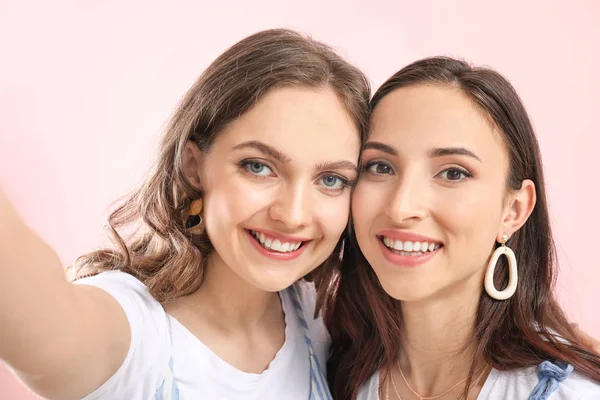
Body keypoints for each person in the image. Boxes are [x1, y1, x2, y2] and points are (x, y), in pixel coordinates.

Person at [0, 28, 369, 400]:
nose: (293, 215)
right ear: (195, 166)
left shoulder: (317, 317)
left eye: (332, 179)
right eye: (258, 167)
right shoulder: (133, 335)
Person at [325, 57, 600, 399]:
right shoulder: (327, 369)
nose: (401, 207)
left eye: (453, 173)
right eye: (380, 166)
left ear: (513, 210)